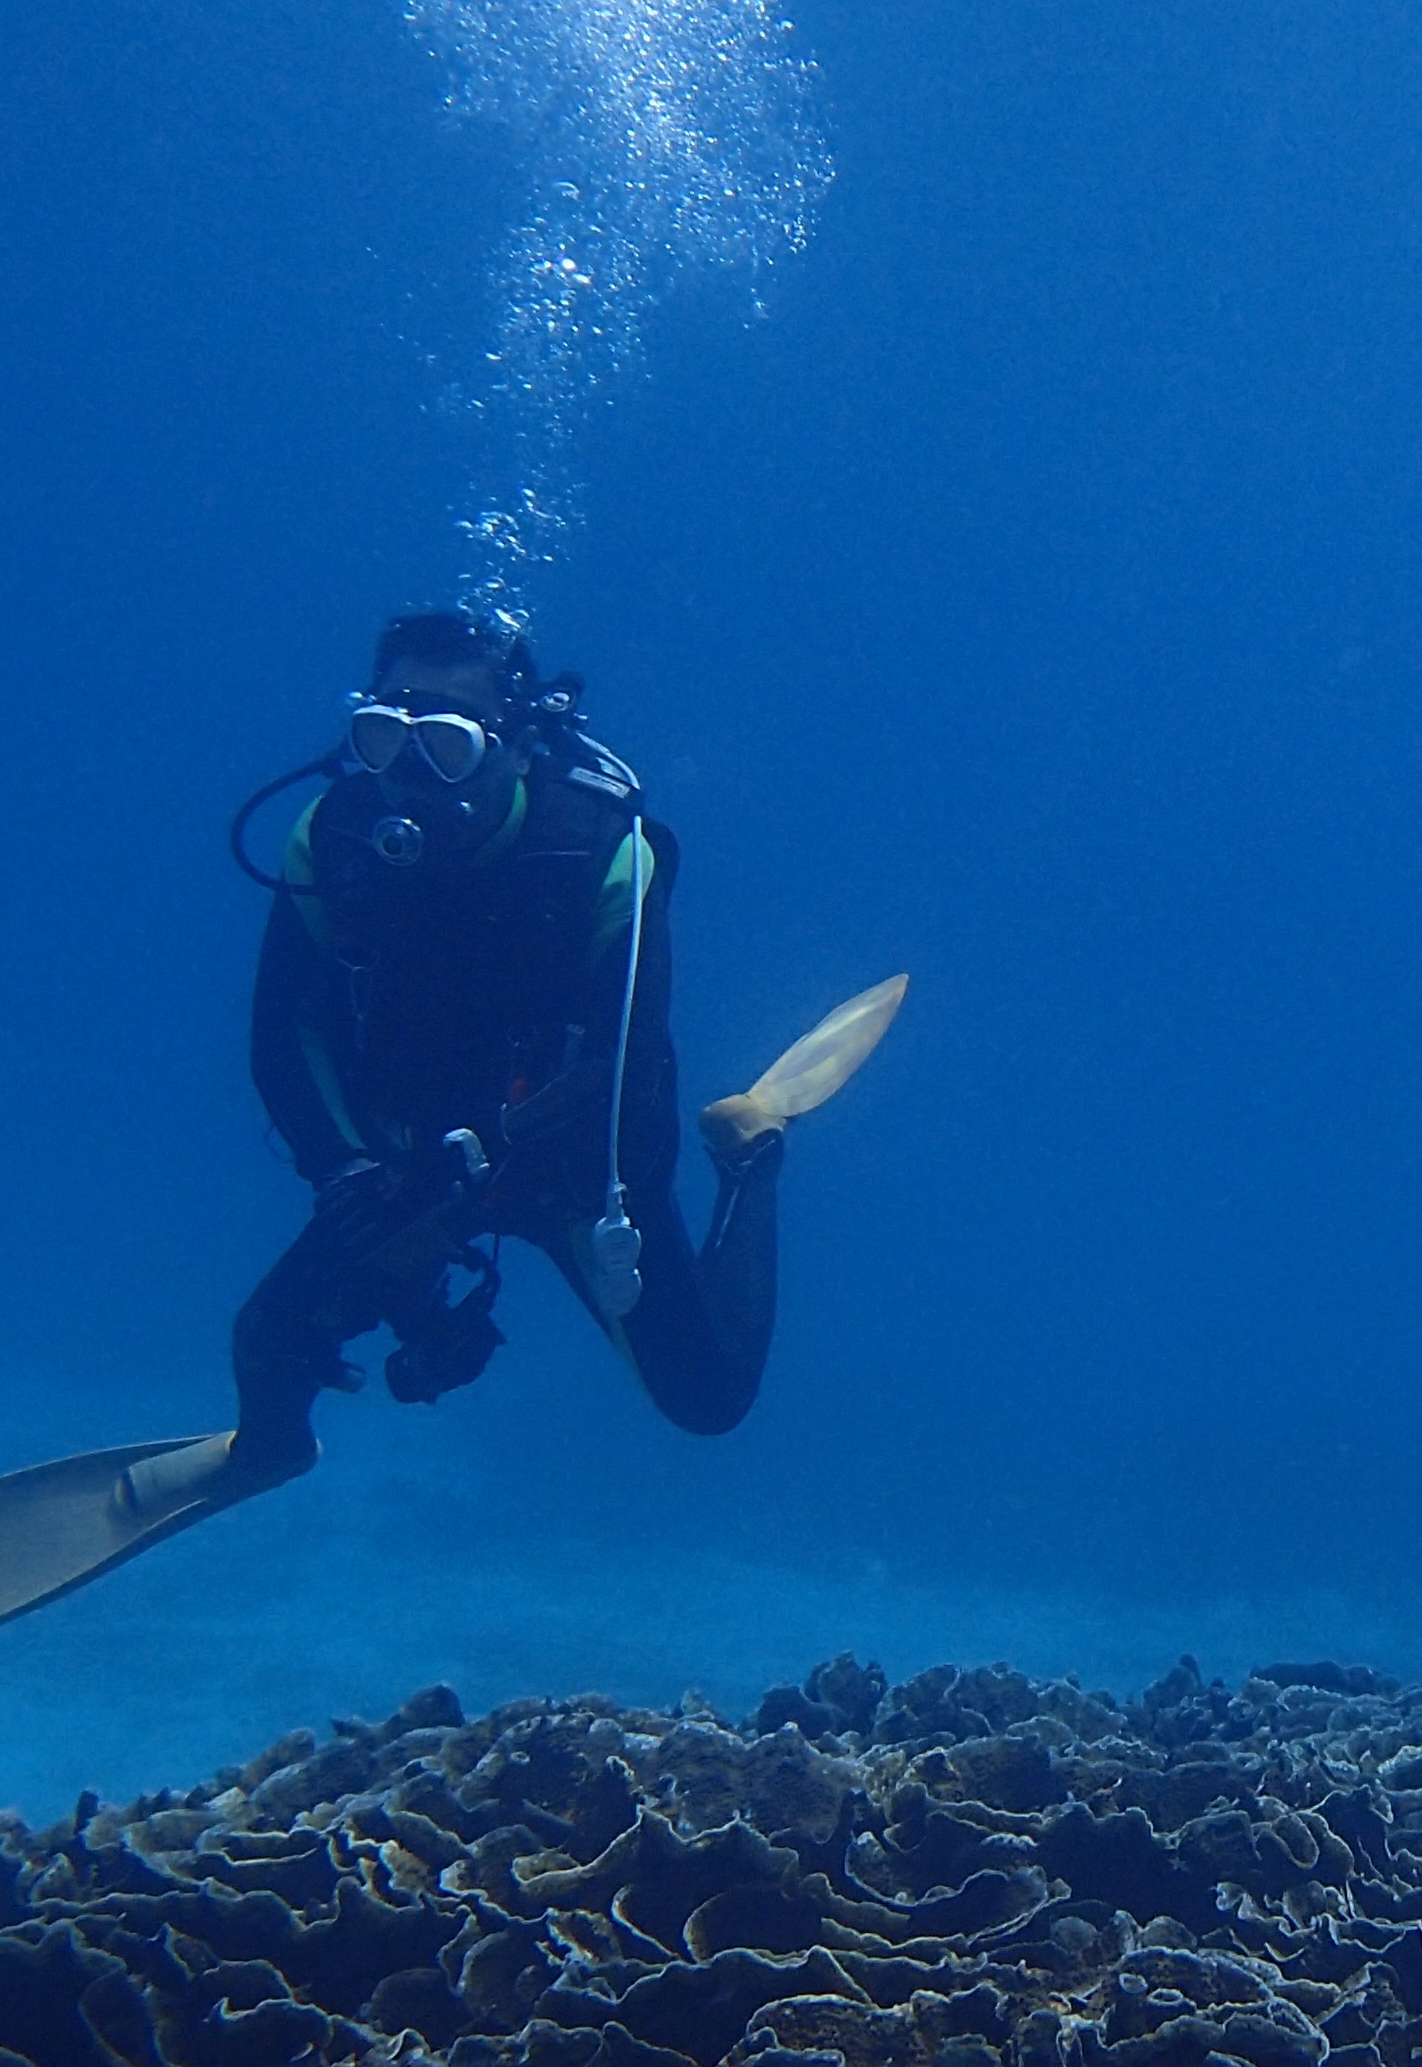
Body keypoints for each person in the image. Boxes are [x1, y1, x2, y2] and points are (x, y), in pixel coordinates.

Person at [126, 610, 893, 1524]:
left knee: (709, 1400)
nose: (407, 778)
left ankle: (751, 1144)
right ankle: (271, 1451)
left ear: (519, 745)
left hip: (578, 1164)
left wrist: (457, 1190)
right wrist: (350, 1176)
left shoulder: (605, 856)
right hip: (407, 1167)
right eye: (382, 739)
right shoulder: (330, 841)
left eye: (446, 746)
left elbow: (620, 1070)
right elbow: (281, 1038)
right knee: (263, 1343)